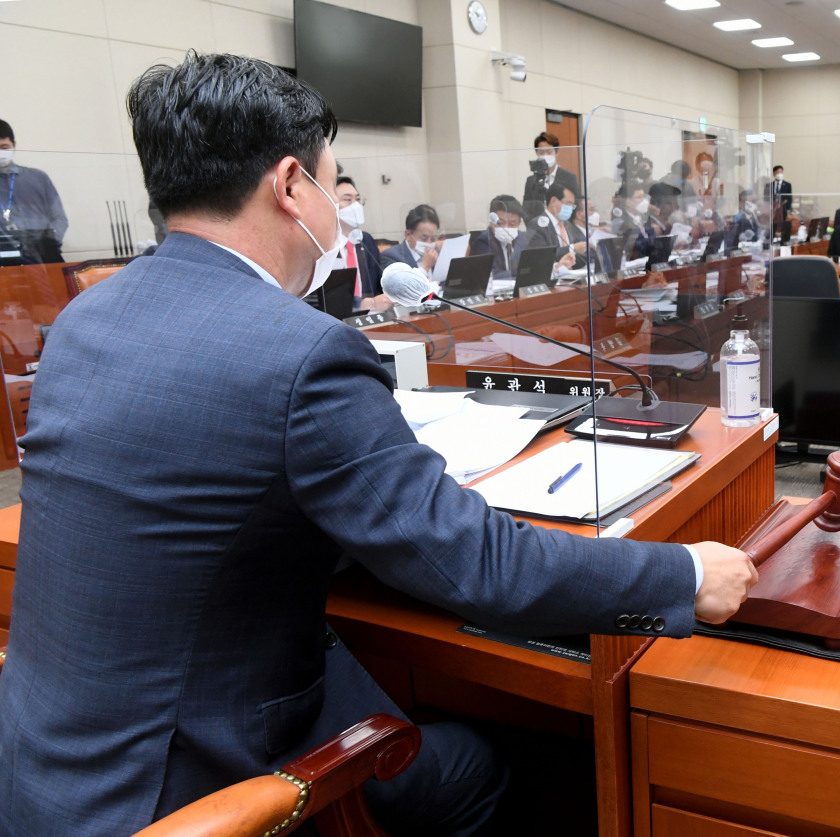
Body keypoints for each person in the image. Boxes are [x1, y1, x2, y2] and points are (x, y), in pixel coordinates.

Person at [0, 52, 757, 836]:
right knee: (489, 768)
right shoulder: (298, 352)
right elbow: (476, 561)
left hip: (37, 768)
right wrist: (682, 571)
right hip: (182, 786)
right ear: (293, 186)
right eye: (334, 180)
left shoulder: (84, 319)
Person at [0, 119, 69, 264]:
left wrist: (48, 244)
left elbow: (59, 218)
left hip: (45, 255)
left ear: (14, 145)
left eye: (4, 147)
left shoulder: (37, 178)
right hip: (6, 260)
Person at [334, 175, 389, 311]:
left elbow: (381, 282)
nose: (356, 205)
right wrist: (359, 305)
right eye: (348, 200)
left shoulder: (365, 241)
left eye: (358, 199)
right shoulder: (325, 246)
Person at [526, 182, 587, 270]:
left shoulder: (568, 225)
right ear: (554, 201)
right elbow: (542, 257)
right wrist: (572, 249)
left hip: (571, 279)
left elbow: (582, 255)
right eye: (568, 203)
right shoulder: (537, 225)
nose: (570, 209)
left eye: (572, 205)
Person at [470, 194, 529, 284]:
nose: (506, 227)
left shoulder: (522, 238)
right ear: (491, 222)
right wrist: (521, 275)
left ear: (519, 223)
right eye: (500, 223)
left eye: (512, 224)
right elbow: (493, 274)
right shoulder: (483, 242)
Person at [521, 131, 580, 217]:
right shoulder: (531, 181)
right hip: (537, 226)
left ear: (556, 152)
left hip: (562, 225)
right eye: (541, 153)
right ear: (537, 154)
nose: (545, 156)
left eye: (549, 152)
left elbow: (576, 204)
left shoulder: (569, 177)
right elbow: (526, 208)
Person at [378, 203, 441, 273]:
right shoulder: (391, 257)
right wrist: (425, 267)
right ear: (408, 235)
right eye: (424, 237)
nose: (429, 243)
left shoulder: (438, 254)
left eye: (433, 238)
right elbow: (400, 284)